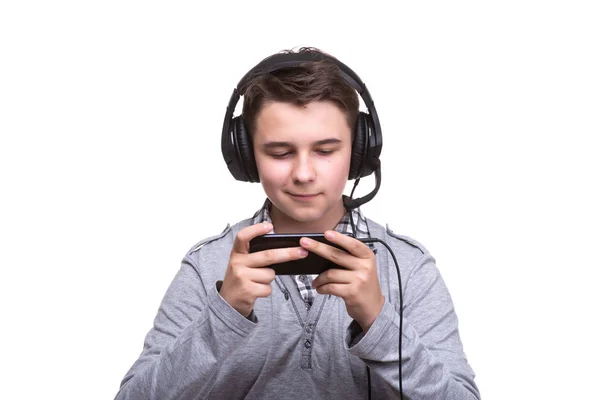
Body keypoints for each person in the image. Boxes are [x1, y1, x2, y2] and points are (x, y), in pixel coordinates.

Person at [114, 47, 480, 400]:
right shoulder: (207, 264)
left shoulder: (407, 266)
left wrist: (378, 320)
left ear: (358, 151)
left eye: (325, 151)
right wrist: (222, 317)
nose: (304, 174)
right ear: (245, 157)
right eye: (280, 152)